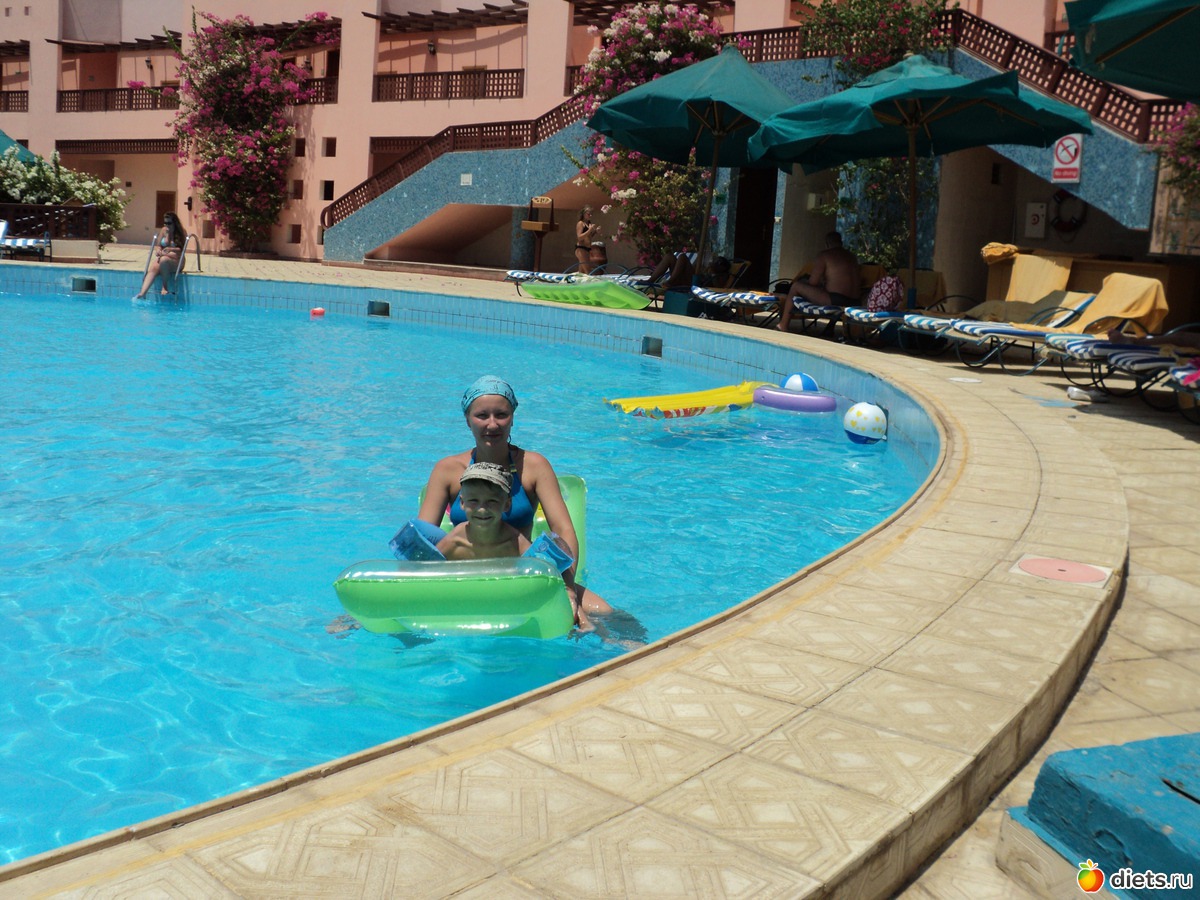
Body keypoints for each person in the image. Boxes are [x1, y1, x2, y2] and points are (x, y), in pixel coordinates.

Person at [418, 375, 612, 630]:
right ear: (467, 419)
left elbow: (563, 531)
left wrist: (567, 588)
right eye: (482, 415)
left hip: (520, 577)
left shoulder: (533, 466)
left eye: (501, 415)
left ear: (512, 417)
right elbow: (422, 541)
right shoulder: (447, 470)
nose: (492, 424)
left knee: (607, 615)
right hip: (463, 578)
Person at [437, 462, 531, 560]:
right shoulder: (454, 542)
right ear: (462, 503)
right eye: (474, 500)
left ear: (507, 504)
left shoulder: (515, 544)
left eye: (492, 501)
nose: (482, 509)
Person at [777, 231, 860, 332]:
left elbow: (813, 282)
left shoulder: (825, 255)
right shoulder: (852, 256)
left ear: (827, 244)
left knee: (796, 286)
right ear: (841, 243)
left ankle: (783, 325)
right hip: (855, 301)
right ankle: (829, 328)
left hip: (836, 300)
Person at [136, 211, 187, 298]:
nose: (167, 225)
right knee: (154, 267)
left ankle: (165, 286)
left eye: (169, 223)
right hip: (164, 256)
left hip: (177, 260)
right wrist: (159, 250)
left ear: (175, 223)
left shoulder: (181, 232)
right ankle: (143, 293)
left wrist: (170, 249)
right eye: (165, 223)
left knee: (163, 260)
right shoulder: (164, 231)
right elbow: (158, 245)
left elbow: (181, 250)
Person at [575, 207, 601, 274]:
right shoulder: (581, 223)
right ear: (583, 214)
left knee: (582, 273)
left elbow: (588, 237)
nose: (590, 215)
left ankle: (577, 280)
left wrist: (595, 232)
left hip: (587, 249)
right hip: (581, 249)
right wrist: (589, 230)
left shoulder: (589, 224)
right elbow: (579, 237)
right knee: (588, 271)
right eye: (588, 214)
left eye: (591, 214)